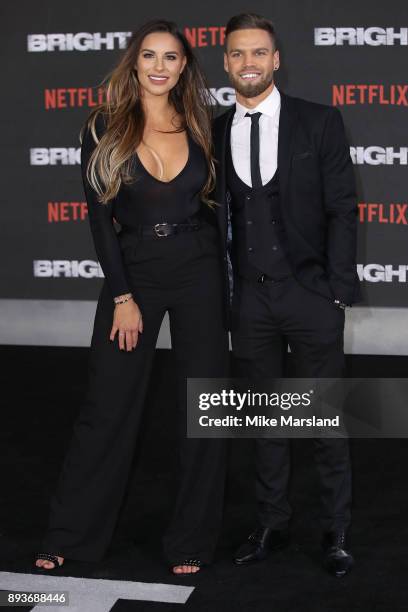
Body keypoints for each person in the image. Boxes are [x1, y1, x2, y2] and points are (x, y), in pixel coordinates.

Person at [35, 19, 228, 576]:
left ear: (184, 66)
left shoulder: (200, 126)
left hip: (197, 269)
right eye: (150, 56)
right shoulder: (103, 126)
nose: (160, 67)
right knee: (107, 408)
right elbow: (100, 221)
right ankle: (71, 536)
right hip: (135, 269)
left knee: (204, 406)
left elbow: (218, 213)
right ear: (134, 62)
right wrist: (122, 294)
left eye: (172, 57)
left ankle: (192, 540)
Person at [213, 13, 360, 577]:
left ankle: (335, 530)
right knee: (263, 418)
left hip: (311, 296)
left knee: (325, 419)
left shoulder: (319, 123)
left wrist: (337, 292)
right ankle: (272, 521)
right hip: (250, 301)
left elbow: (342, 209)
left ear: (276, 60)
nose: (248, 63)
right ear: (225, 63)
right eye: (237, 54)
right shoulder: (213, 128)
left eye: (259, 53)